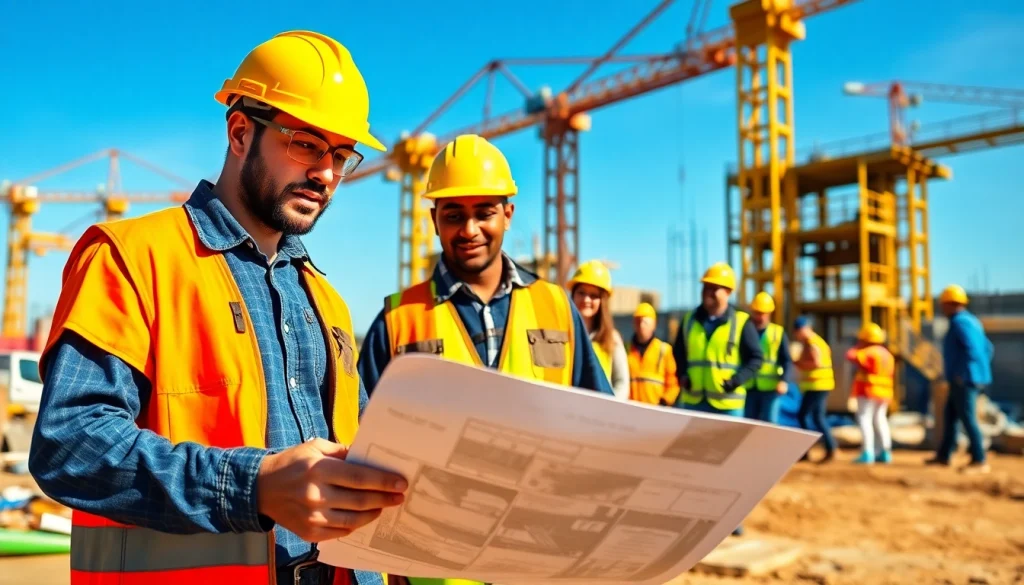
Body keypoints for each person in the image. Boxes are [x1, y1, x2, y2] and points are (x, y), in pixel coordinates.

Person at [27, 31, 409, 585]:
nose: (326, 173)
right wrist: (254, 485)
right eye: (306, 143)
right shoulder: (132, 259)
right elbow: (71, 442)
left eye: (341, 155)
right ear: (239, 132)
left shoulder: (327, 303)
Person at [358, 134, 614, 585]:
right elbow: (362, 451)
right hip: (432, 565)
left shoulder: (556, 306)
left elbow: (602, 426)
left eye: (484, 212)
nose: (470, 229)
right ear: (434, 220)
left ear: (508, 214)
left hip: (538, 559)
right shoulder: (398, 320)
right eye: (454, 214)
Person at [672, 262, 762, 537]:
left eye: (715, 288)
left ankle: (731, 520)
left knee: (730, 465)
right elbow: (679, 355)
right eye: (706, 287)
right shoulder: (689, 321)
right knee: (697, 464)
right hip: (696, 401)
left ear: (728, 292)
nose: (709, 293)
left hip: (728, 406)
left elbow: (755, 359)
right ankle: (697, 515)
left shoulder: (742, 323)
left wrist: (737, 379)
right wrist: (683, 374)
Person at [926, 284, 994, 474]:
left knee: (968, 418)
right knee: (950, 416)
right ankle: (943, 455)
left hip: (964, 379)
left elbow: (971, 348)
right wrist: (979, 369)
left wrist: (962, 373)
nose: (942, 309)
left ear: (949, 304)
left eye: (943, 305)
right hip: (970, 376)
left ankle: (980, 460)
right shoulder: (972, 321)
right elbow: (988, 349)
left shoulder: (960, 323)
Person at [568, 260, 630, 400]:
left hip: (599, 415)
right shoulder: (562, 335)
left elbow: (621, 383)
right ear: (573, 295)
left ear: (602, 301)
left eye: (593, 295)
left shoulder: (612, 338)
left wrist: (610, 410)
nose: (586, 300)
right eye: (581, 293)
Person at [846, 323, 895, 464]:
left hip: (868, 390)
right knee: (880, 420)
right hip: (885, 392)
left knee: (864, 419)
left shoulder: (867, 352)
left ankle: (867, 452)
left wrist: (857, 346)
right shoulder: (887, 354)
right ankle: (885, 451)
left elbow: (850, 355)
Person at [792, 316, 838, 463]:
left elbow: (816, 363)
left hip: (817, 385)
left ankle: (813, 449)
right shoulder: (817, 341)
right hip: (820, 385)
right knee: (817, 417)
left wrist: (798, 364)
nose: (797, 334)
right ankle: (829, 448)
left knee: (804, 416)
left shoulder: (812, 343)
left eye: (799, 331)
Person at [744, 292, 793, 424]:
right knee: (748, 423)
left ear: (770, 313)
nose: (759, 317)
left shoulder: (778, 332)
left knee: (769, 423)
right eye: (757, 313)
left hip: (770, 389)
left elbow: (786, 360)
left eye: (763, 313)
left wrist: (784, 381)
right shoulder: (745, 331)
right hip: (749, 386)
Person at [627, 302, 680, 406]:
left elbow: (673, 383)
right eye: (638, 322)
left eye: (645, 322)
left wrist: (665, 401)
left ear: (654, 324)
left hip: (656, 410)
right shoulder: (627, 350)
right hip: (632, 410)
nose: (641, 326)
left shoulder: (664, 350)